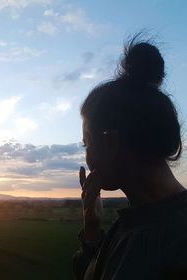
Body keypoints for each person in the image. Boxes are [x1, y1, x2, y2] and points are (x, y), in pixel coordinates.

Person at [72, 35, 187, 280]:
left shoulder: (176, 242)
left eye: (87, 143)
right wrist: (91, 226)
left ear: (111, 142)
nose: (87, 157)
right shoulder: (133, 223)